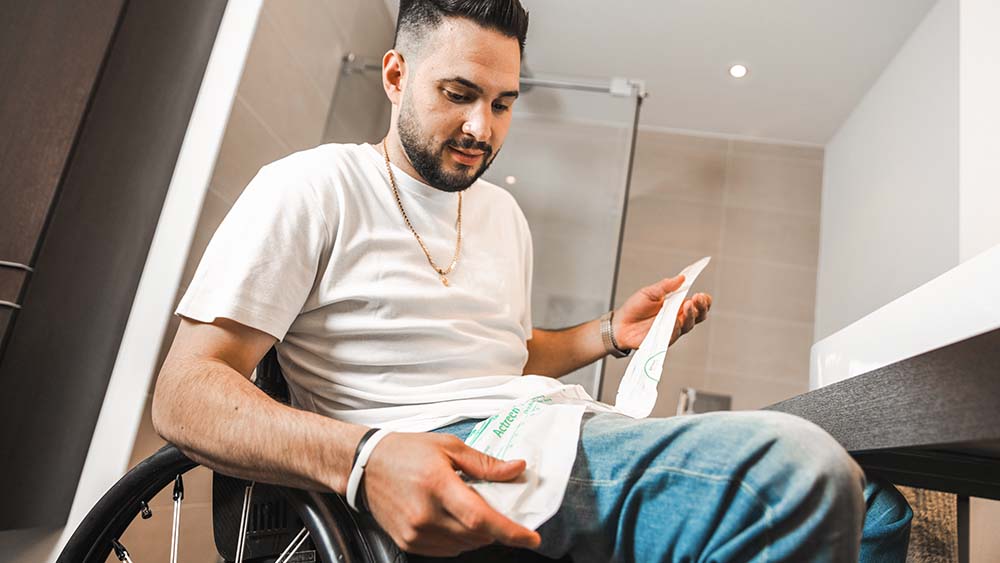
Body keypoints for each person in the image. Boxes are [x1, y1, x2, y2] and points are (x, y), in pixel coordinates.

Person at [151, 0, 912, 561]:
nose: (484, 127)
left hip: (549, 421)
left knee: (875, 505)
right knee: (797, 473)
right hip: (449, 452)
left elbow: (502, 358)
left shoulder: (502, 215)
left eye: (504, 102)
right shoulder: (313, 186)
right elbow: (185, 393)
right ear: (394, 74)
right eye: (459, 93)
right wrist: (363, 457)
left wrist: (610, 333)